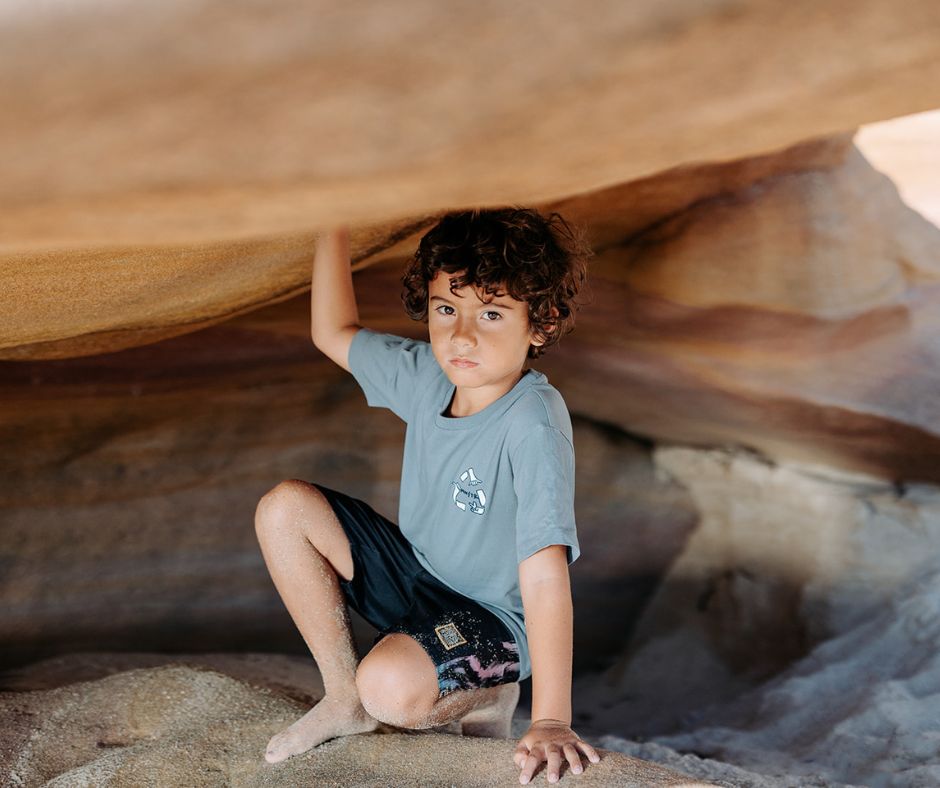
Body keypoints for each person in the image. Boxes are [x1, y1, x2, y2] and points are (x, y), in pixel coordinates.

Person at [255, 207, 599, 784]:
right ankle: (343, 701)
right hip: (415, 575)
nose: (461, 335)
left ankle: (490, 695)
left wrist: (553, 720)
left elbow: (544, 575)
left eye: (491, 313)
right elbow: (332, 333)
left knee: (389, 690)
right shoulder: (428, 375)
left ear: (542, 323)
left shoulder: (533, 422)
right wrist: (331, 218)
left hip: (493, 619)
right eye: (447, 309)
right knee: (285, 507)